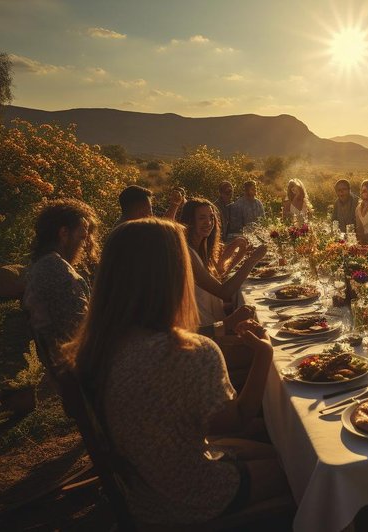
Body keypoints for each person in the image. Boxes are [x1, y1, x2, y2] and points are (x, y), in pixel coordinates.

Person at [64, 218, 288, 525]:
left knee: (275, 447)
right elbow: (235, 422)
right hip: (188, 496)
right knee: (294, 466)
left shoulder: (99, 345)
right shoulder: (185, 353)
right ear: (172, 274)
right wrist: (263, 355)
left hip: (145, 486)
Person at [23, 199, 99, 358]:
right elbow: (80, 333)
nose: (84, 245)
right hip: (75, 367)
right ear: (64, 233)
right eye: (82, 236)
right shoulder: (57, 271)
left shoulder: (40, 265)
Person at [179, 199, 265, 328]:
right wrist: (252, 260)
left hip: (214, 321)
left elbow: (217, 280)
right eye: (202, 218)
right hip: (202, 330)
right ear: (189, 221)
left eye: (211, 217)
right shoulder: (187, 253)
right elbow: (224, 292)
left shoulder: (201, 247)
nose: (208, 222)